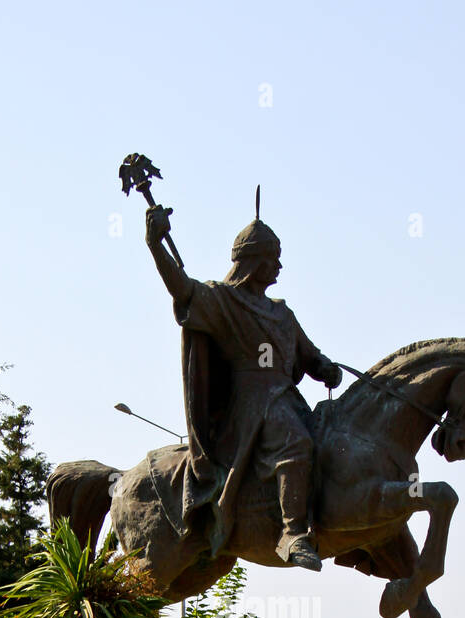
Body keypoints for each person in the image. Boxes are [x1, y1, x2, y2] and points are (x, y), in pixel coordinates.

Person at [145, 199, 342, 570]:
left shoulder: (282, 312)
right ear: (252, 261)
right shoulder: (223, 300)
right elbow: (182, 290)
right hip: (250, 404)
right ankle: (292, 532)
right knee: (295, 442)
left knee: (333, 442)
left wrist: (325, 368)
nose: (279, 267)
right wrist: (156, 244)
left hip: (286, 398)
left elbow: (308, 354)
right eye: (273, 258)